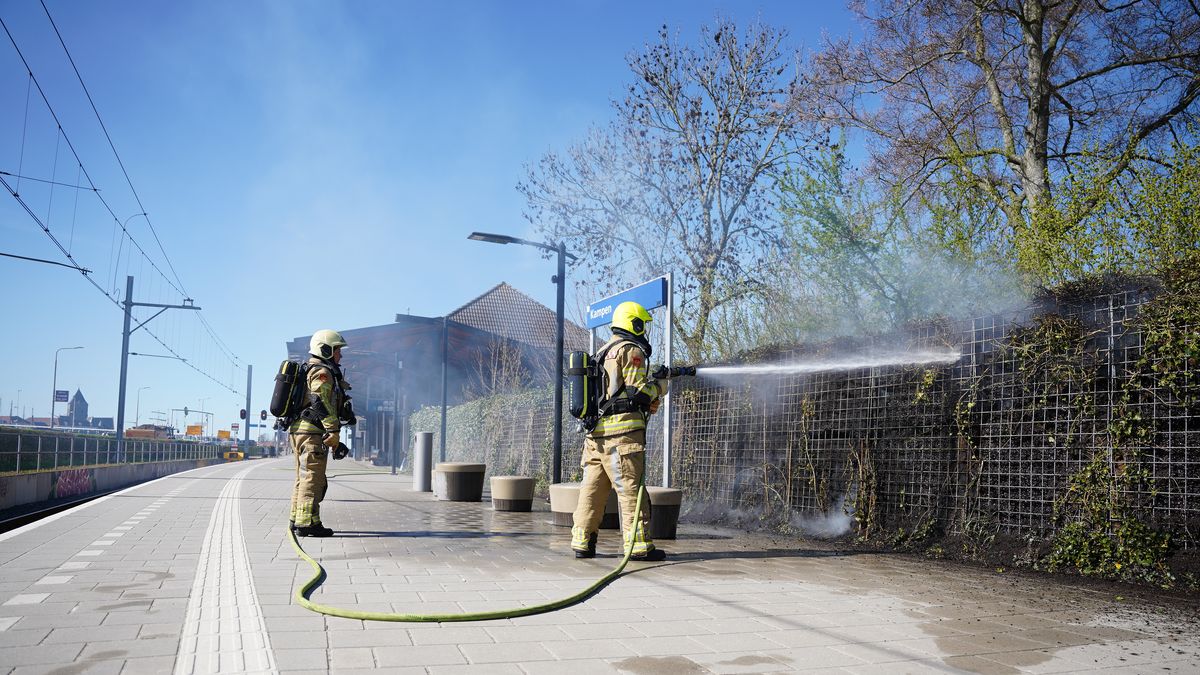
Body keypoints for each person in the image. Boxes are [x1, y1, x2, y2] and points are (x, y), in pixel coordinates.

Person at [571, 301, 668, 561]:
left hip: (595, 437)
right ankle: (638, 547)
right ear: (633, 324)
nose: (643, 331)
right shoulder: (630, 350)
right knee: (630, 491)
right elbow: (639, 392)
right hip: (621, 438)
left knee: (592, 490)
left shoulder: (602, 351)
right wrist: (659, 386)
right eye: (642, 325)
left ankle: (582, 540)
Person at [289, 329, 352, 537]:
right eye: (337, 351)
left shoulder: (315, 369)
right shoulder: (321, 372)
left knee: (304, 477)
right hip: (311, 433)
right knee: (312, 478)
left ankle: (298, 518)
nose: (340, 355)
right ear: (325, 350)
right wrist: (332, 429)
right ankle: (306, 523)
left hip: (303, 431)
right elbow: (320, 400)